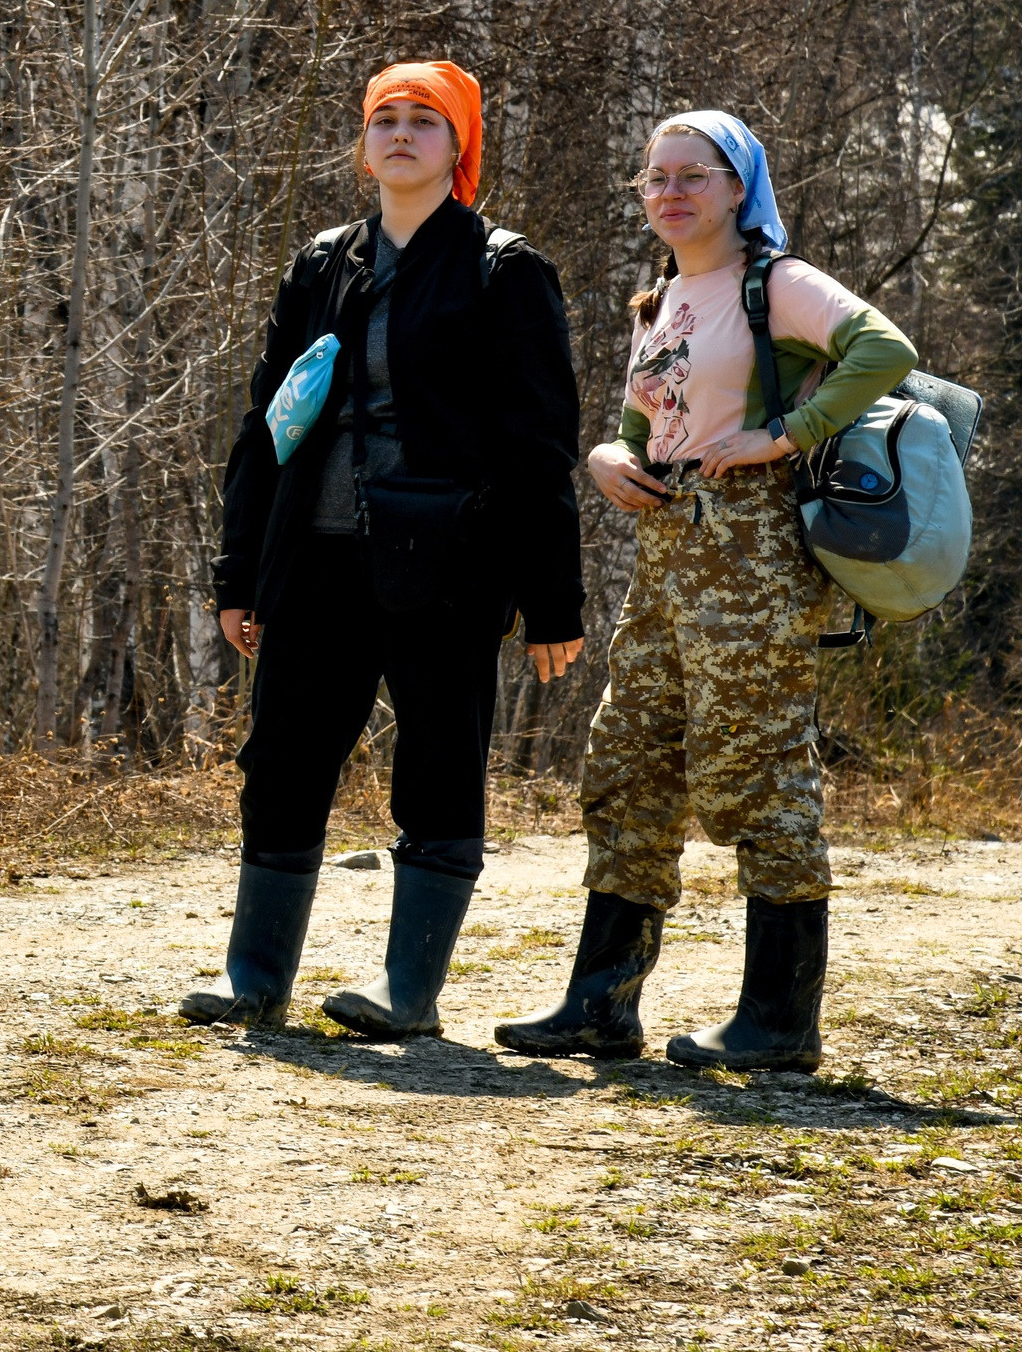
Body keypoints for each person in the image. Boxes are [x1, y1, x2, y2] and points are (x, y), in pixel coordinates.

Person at [498, 111, 914, 1073]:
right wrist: (608, 453)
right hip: (665, 553)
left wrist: (785, 433)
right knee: (629, 761)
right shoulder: (660, 302)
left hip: (753, 550)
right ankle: (600, 1005)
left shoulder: (778, 282)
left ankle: (778, 1020)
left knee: (756, 766)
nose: (672, 190)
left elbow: (882, 350)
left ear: (739, 190)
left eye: (696, 173)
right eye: (654, 177)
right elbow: (640, 420)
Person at [190, 60, 586, 1039]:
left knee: (441, 764)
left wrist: (553, 598)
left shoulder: (503, 269)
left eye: (424, 121)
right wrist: (239, 574)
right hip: (315, 556)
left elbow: (542, 446)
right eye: (384, 120)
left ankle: (409, 994)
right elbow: (265, 427)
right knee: (281, 761)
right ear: (363, 143)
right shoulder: (322, 264)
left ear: (458, 149)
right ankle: (255, 983)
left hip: (450, 563)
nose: (401, 135)